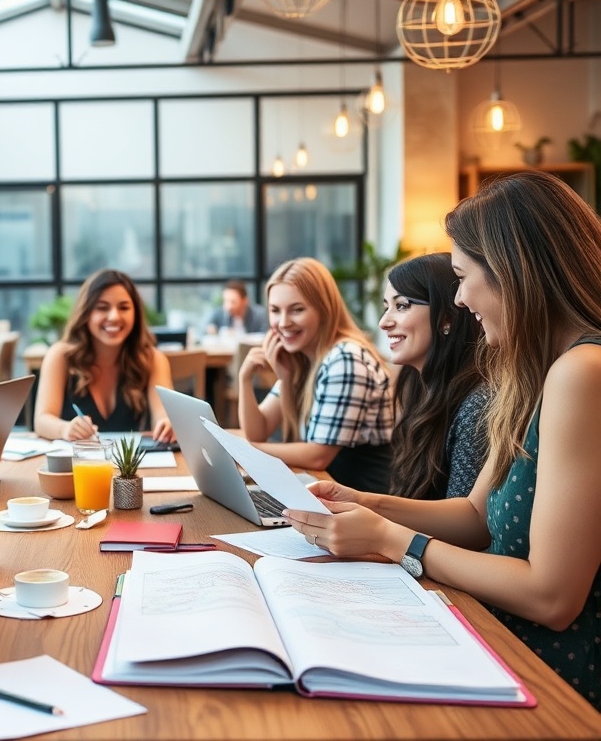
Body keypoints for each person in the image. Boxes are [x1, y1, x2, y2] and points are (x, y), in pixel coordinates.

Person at [284, 171, 601, 709]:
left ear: (512, 272)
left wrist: (391, 540)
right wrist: (365, 502)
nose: (458, 297)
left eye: (462, 276)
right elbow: (476, 517)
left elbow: (552, 597)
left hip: (551, 681)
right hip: (496, 642)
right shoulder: (536, 373)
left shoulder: (583, 372)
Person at [237, 257, 393, 493]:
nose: (283, 323)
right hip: (325, 491)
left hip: (362, 502)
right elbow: (258, 430)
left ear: (324, 309)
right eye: (275, 310)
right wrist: (246, 379)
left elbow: (318, 455)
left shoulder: (345, 358)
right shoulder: (303, 358)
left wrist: (245, 450)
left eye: (297, 310)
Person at [380, 252, 489, 499]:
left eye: (402, 306)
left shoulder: (477, 405)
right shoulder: (416, 385)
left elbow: (466, 528)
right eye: (386, 307)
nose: (383, 322)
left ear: (446, 317)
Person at [34, 269, 175, 442]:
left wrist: (166, 424)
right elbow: (42, 420)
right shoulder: (61, 356)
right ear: (86, 314)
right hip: (77, 466)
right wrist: (65, 429)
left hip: (131, 467)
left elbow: (161, 414)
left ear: (136, 314)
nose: (114, 316)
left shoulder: (153, 359)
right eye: (102, 308)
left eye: (124, 307)